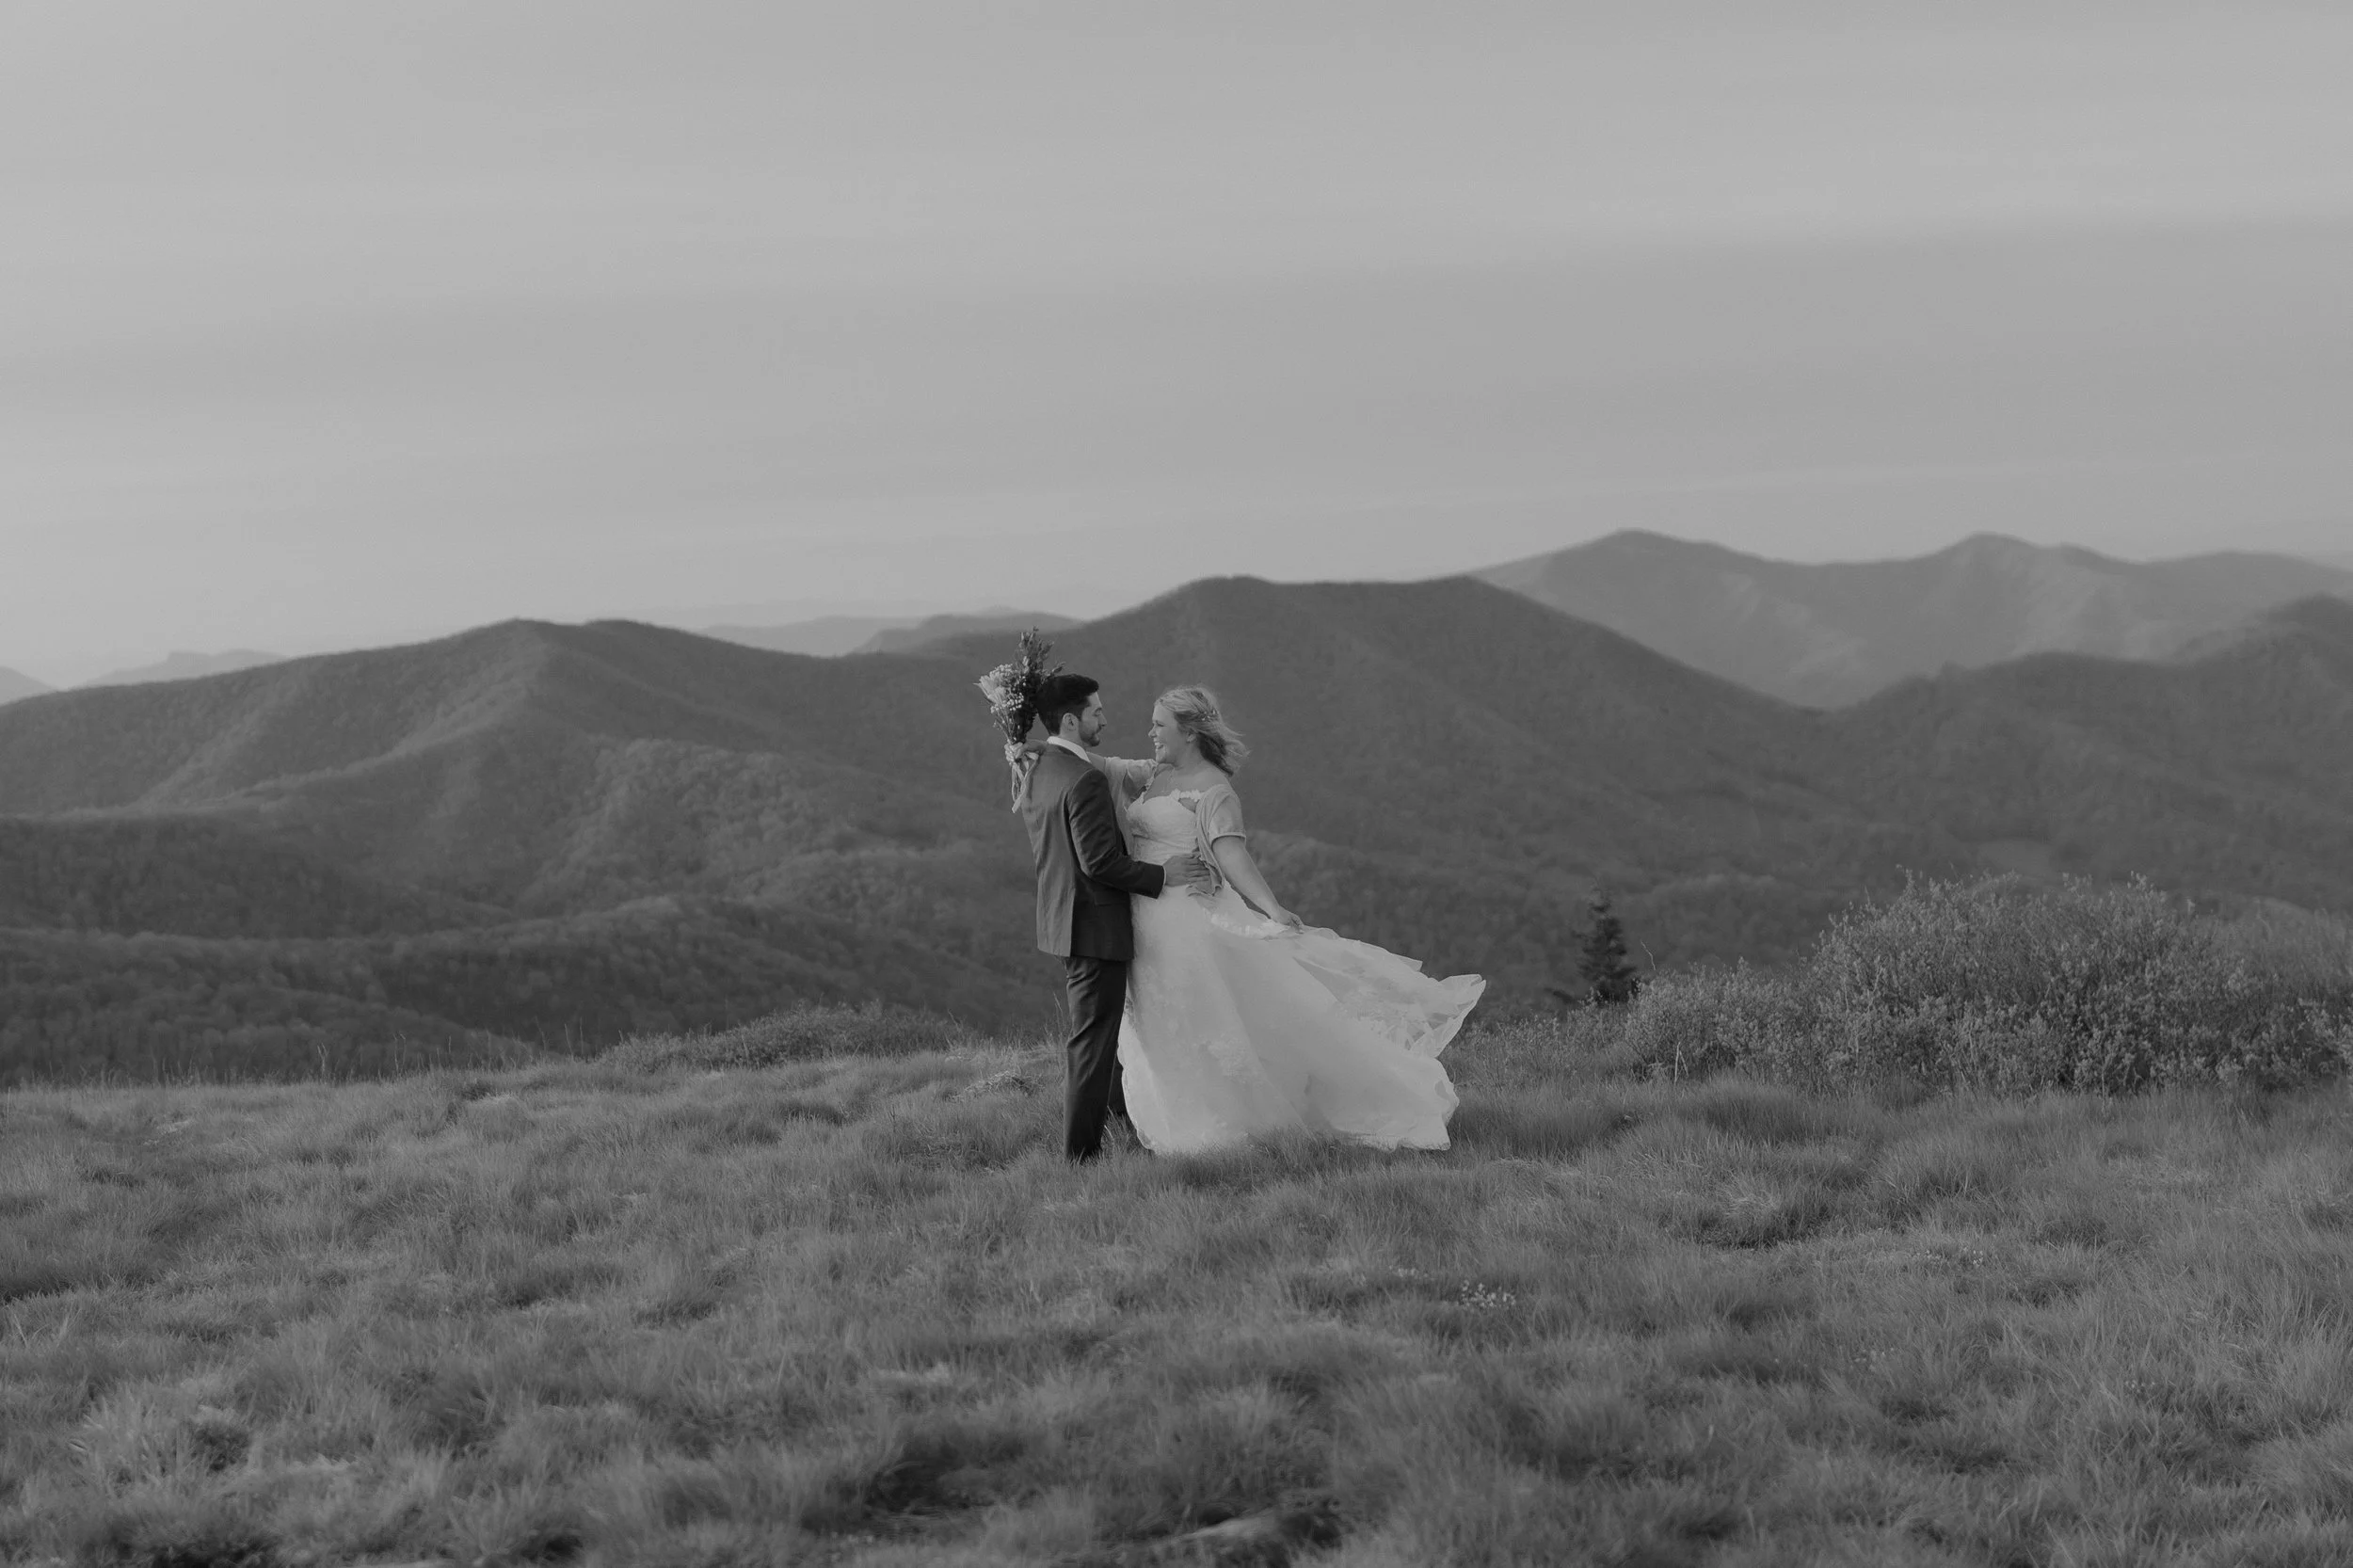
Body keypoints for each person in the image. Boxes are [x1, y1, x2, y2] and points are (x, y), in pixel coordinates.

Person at [1068, 686, 1482, 1153]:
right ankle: (1169, 1118)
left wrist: (1271, 907)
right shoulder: (1152, 773)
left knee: (1197, 1020)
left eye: (1159, 724)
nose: (1150, 732)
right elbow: (1095, 763)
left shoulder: (1213, 790)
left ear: (1188, 732)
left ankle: (1217, 1127)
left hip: (1184, 920)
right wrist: (1035, 746)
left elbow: (1231, 853)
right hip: (1143, 919)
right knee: (1154, 1022)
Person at [1020, 673, 1211, 1160]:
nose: (1105, 717)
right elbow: (1100, 862)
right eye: (1096, 712)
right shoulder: (1081, 779)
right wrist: (1161, 874)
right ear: (1070, 719)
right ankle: (1081, 1158)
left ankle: (1119, 1122)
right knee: (1093, 1044)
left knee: (1105, 1037)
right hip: (1094, 925)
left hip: (1064, 920)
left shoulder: (1039, 765)